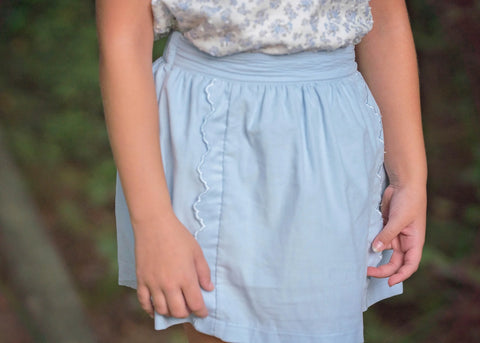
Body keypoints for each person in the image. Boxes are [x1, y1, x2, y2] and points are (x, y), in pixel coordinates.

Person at [96, 0, 427, 342]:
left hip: (334, 134)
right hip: (214, 129)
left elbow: (384, 18)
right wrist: (153, 221)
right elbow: (124, 36)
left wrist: (410, 179)